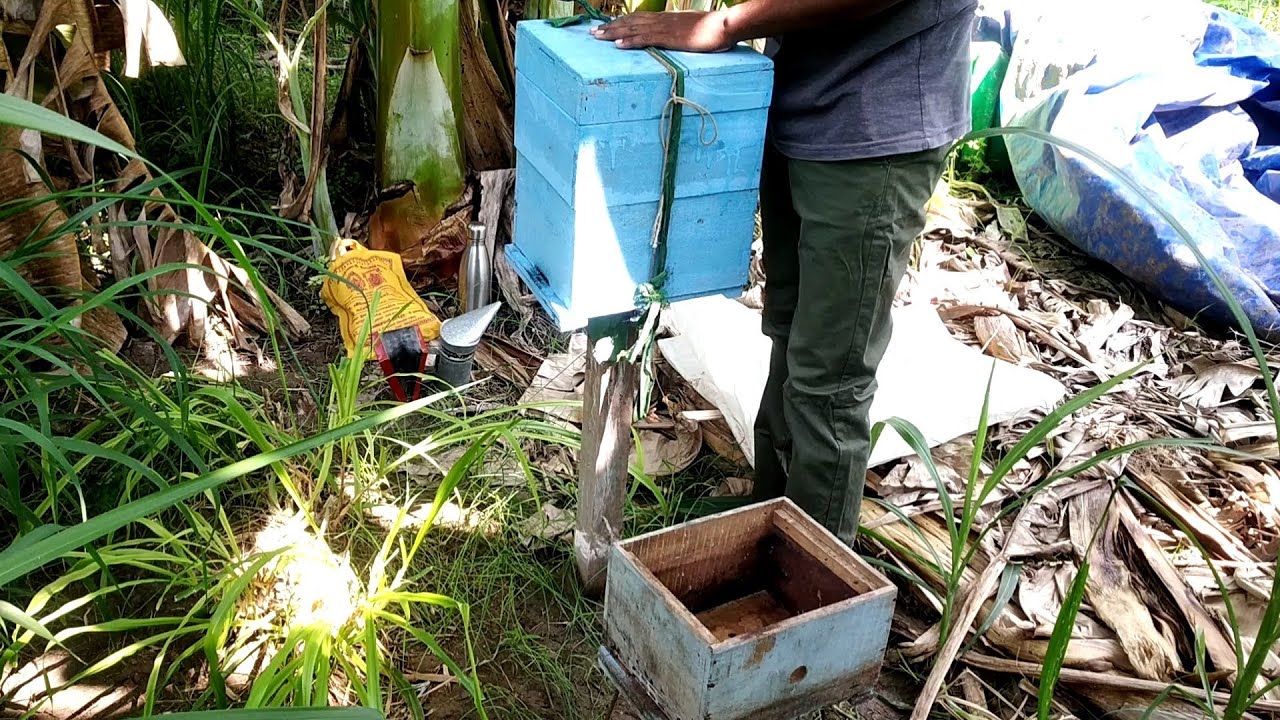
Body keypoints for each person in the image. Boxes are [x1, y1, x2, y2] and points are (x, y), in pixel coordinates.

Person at [592, 0, 976, 547]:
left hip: (873, 135)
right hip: (802, 106)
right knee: (790, 331)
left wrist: (725, 24)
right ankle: (772, 510)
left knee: (831, 377)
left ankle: (809, 584)